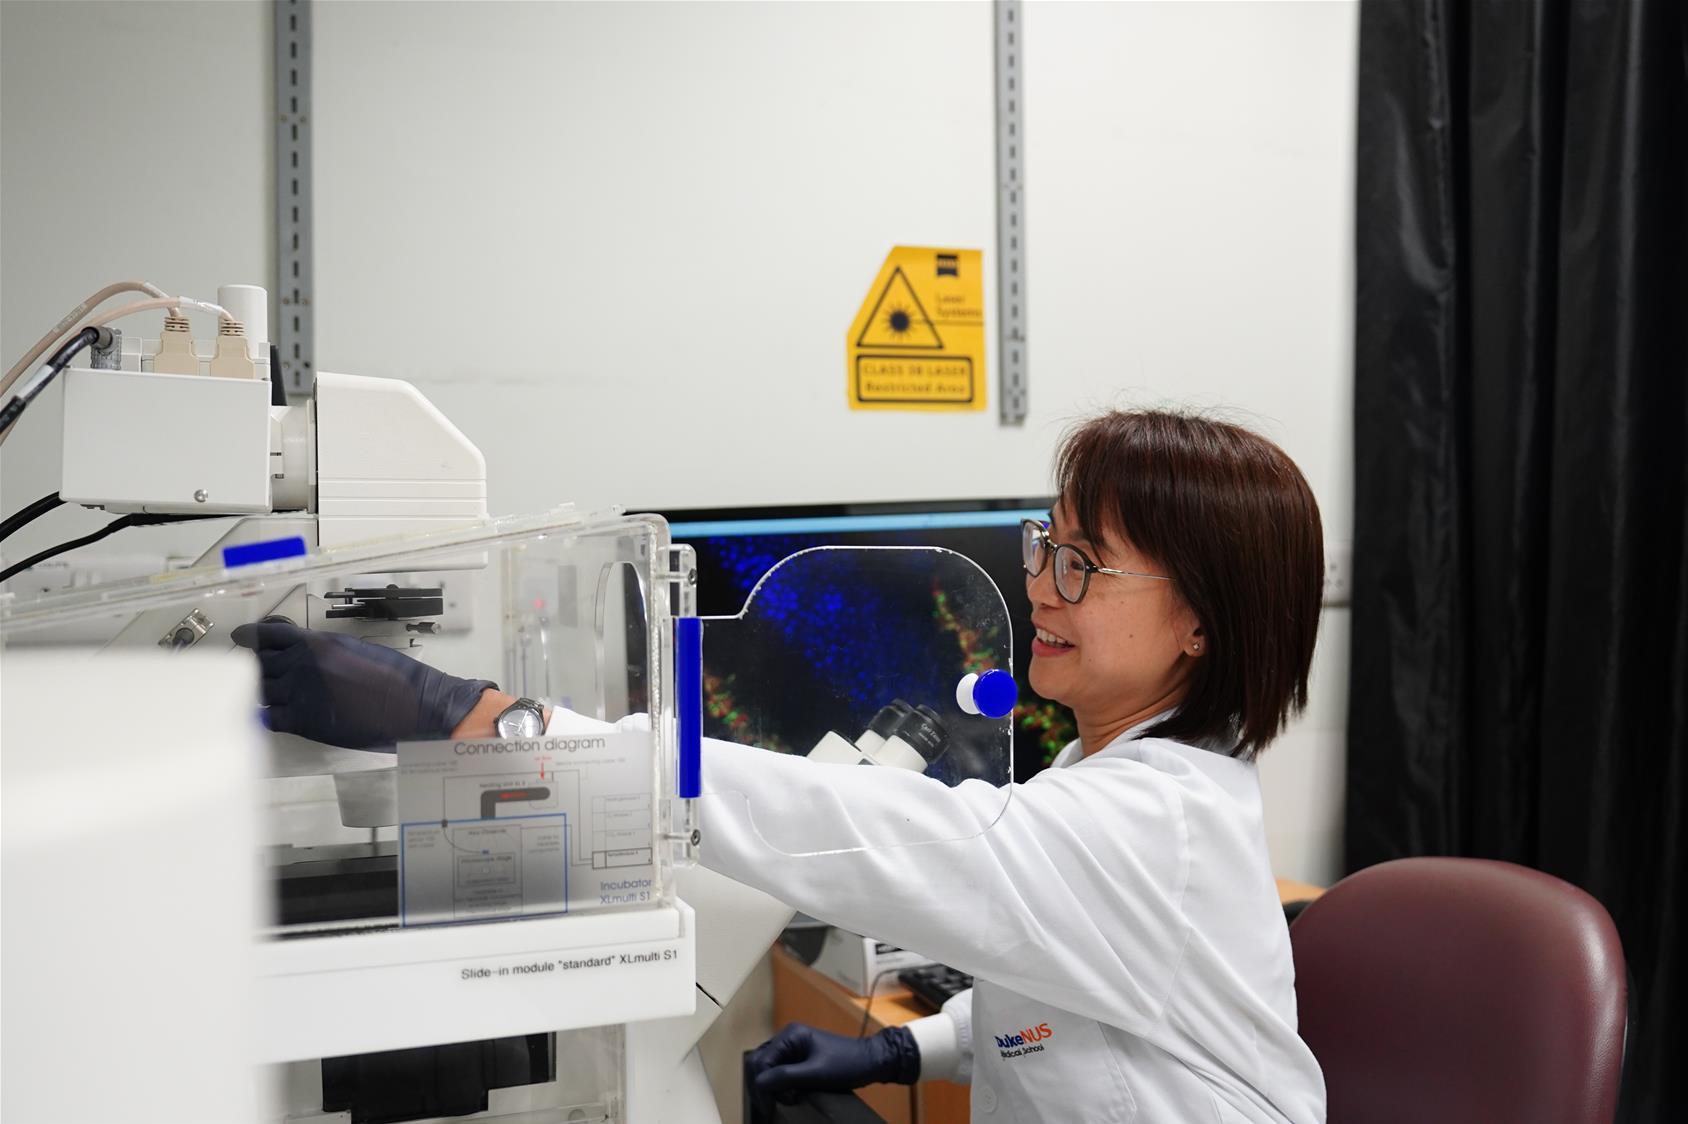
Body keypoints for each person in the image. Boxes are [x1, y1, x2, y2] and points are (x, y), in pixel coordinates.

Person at [237, 409, 1328, 1123]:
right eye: (1046, 542)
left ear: (1199, 622)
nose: (1041, 583)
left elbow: (853, 823)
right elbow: (1074, 1012)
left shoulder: (1148, 828)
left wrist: (471, 712)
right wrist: (909, 1052)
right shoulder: (1114, 796)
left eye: (1084, 563)